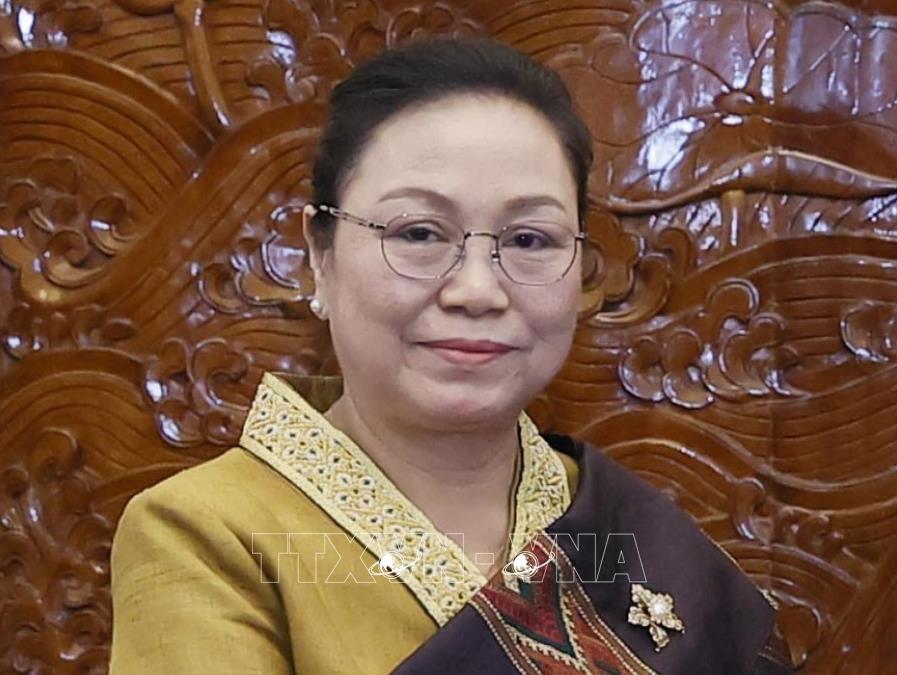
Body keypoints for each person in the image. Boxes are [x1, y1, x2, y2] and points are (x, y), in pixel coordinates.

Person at [108, 37, 793, 674]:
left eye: (529, 240)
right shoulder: (204, 533)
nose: (476, 290)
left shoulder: (621, 523)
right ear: (319, 256)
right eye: (418, 233)